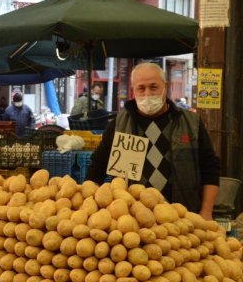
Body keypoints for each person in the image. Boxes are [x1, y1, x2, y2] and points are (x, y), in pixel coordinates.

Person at [87, 62, 220, 220]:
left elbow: (210, 168)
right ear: (133, 90)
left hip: (183, 218)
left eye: (153, 87)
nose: (147, 93)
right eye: (141, 88)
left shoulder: (191, 123)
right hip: (133, 220)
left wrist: (206, 211)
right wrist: (87, 206)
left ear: (165, 86)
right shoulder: (119, 125)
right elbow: (98, 166)